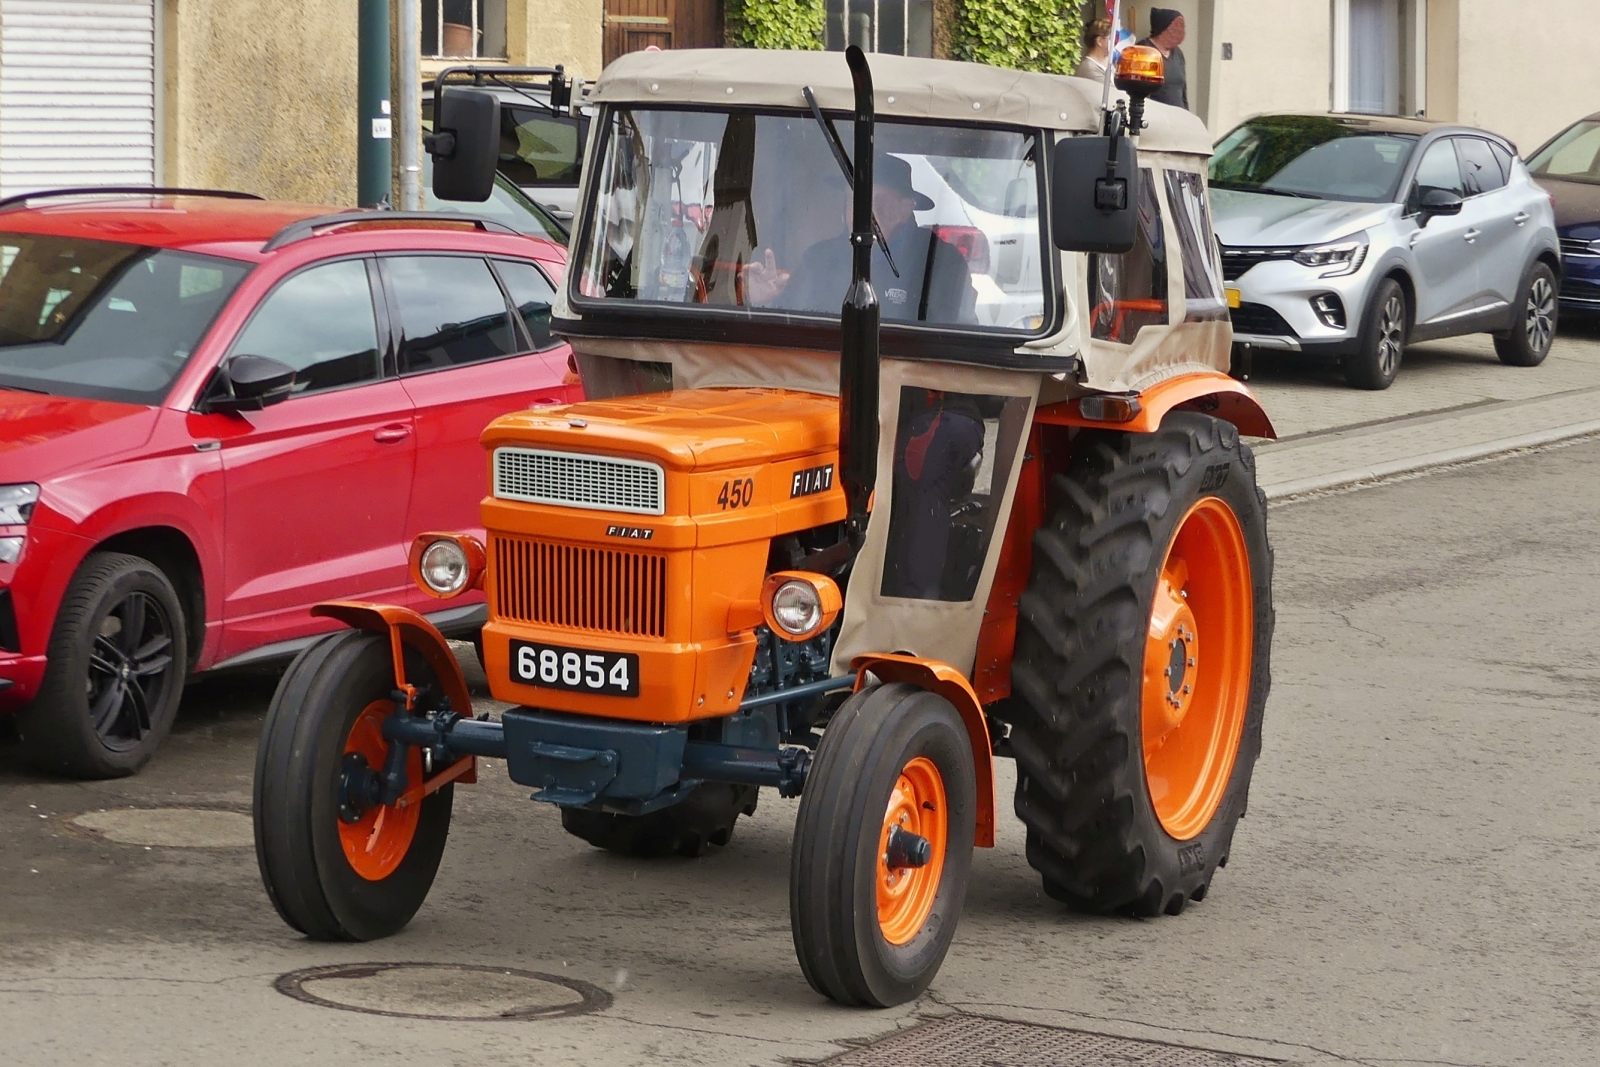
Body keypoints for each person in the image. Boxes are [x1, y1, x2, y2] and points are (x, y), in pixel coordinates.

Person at [744, 154, 977, 324]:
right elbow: (792, 328)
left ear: (905, 209)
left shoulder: (940, 262)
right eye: (853, 202)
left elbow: (953, 343)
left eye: (878, 203)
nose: (861, 215)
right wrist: (762, 301)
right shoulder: (818, 258)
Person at [1139, 7, 1188, 110]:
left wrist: (1187, 114)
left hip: (1179, 115)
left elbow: (1183, 91)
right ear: (1163, 28)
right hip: (1156, 115)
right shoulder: (1143, 50)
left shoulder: (1178, 53)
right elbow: (1140, 92)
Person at [1074, 17, 1112, 81]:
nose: (1115, 42)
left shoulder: (1109, 61)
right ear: (1099, 41)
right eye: (1111, 38)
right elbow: (1111, 87)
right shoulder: (1088, 69)